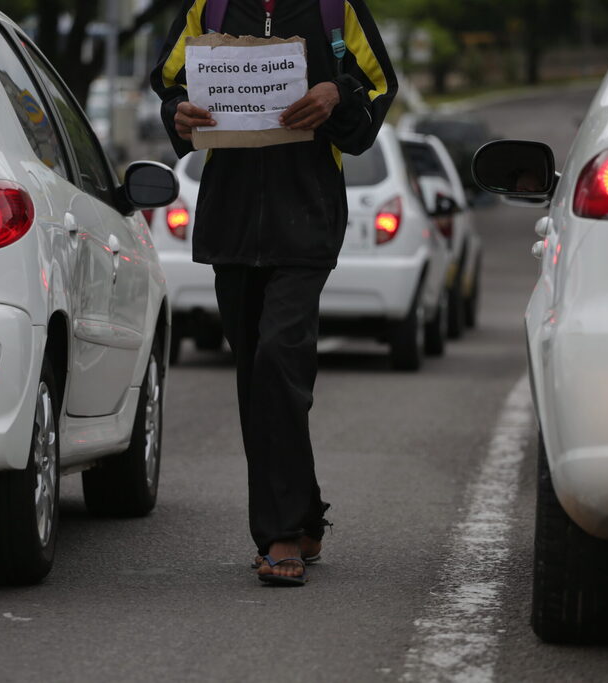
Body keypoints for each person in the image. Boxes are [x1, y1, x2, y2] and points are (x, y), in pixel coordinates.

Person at [151, 0, 396, 586]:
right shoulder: (207, 8)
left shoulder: (335, 9)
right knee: (258, 378)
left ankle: (279, 536)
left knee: (277, 359)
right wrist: (178, 116)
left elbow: (378, 91)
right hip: (232, 225)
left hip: (306, 219)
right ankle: (304, 511)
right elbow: (167, 85)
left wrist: (336, 94)